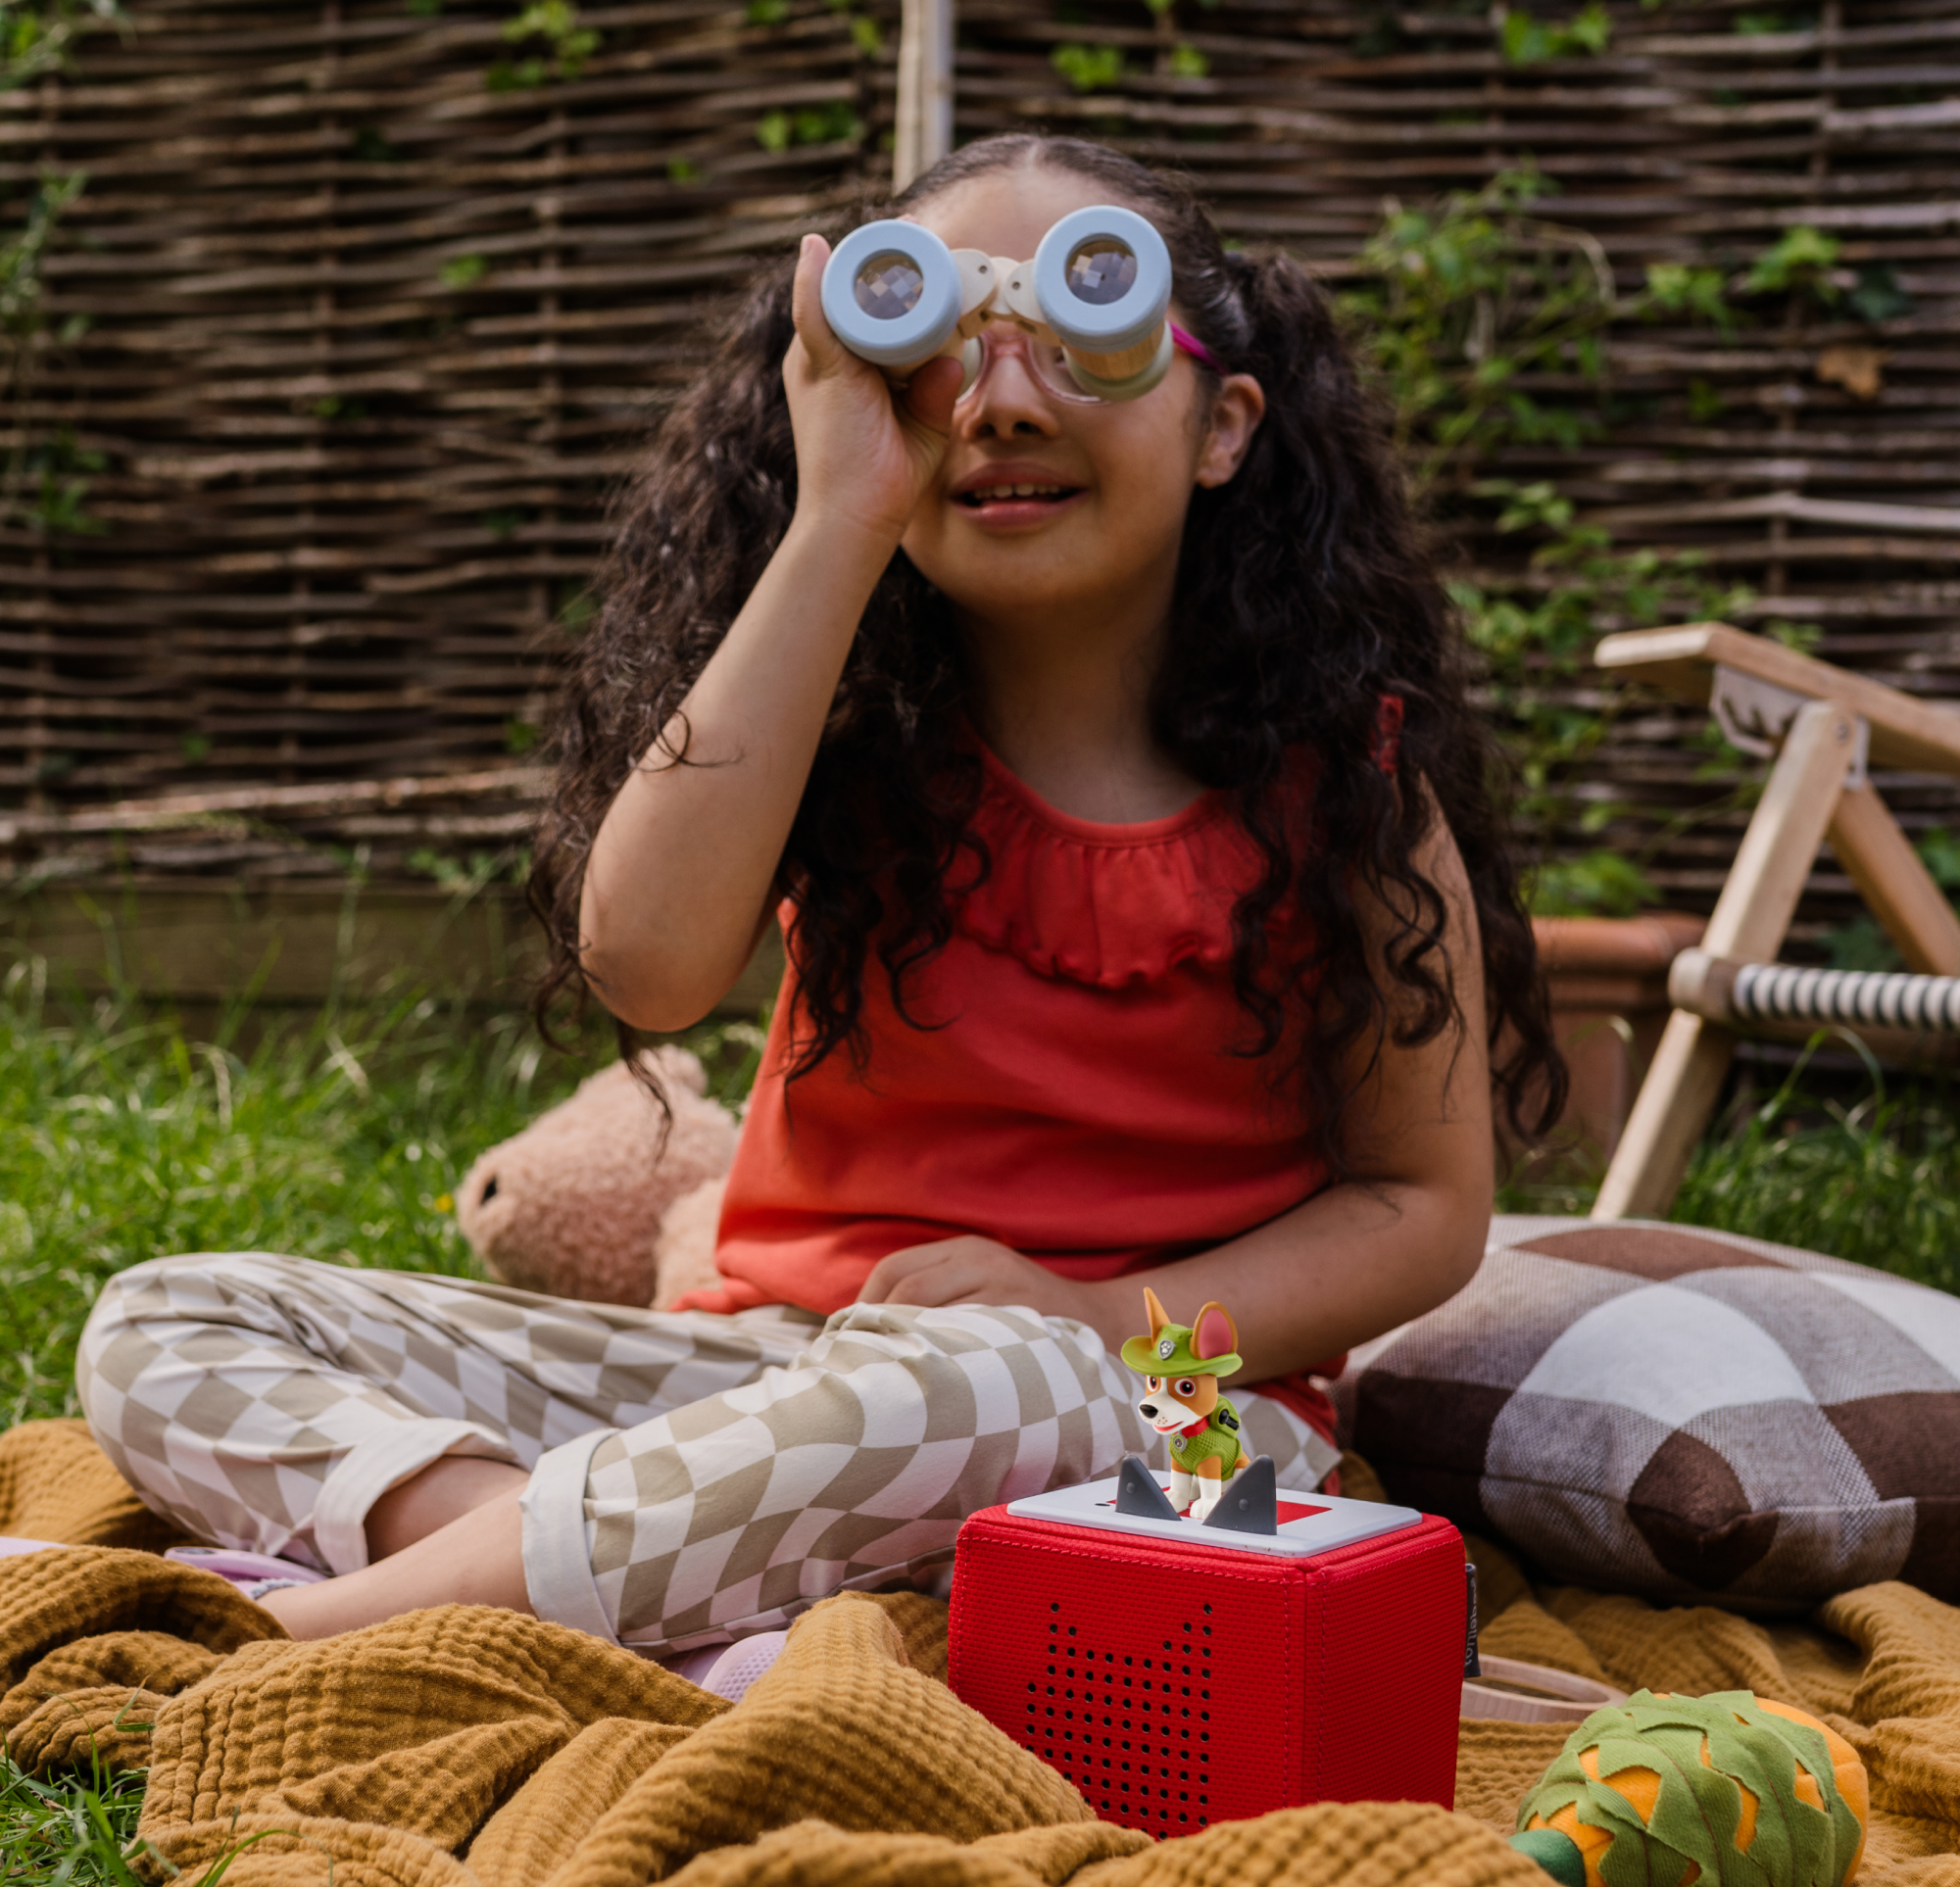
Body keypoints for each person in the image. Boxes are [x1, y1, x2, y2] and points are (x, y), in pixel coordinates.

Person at [75, 134, 1561, 1656]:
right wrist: (840, 515)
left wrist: (1092, 1318)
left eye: (1086, 341)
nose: (1003, 404)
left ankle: (323, 1632)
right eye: (942, 352)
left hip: (1160, 1421)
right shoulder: (844, 726)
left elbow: (1423, 1208)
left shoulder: (1349, 790)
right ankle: (567, 1566)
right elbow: (644, 968)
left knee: (979, 1383)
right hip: (765, 1390)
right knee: (170, 1319)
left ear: (1223, 425)